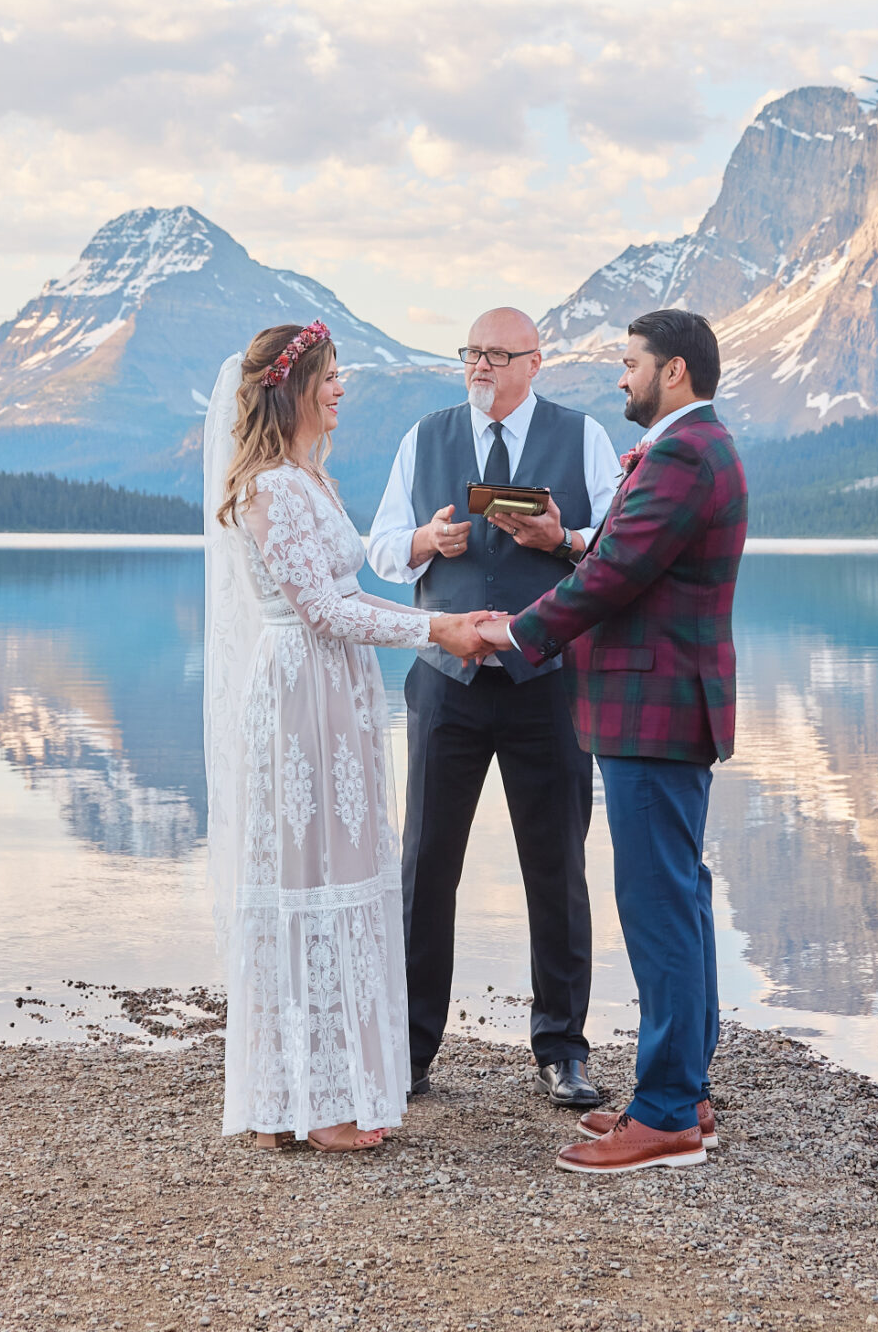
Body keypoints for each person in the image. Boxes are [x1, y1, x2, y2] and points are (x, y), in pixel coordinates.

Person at [202, 317, 490, 1150]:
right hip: (300, 696)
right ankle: (304, 1105)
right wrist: (435, 630)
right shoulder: (269, 488)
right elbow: (321, 610)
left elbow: (348, 593)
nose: (340, 388)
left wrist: (439, 618)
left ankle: (305, 1095)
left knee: (341, 869)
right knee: (304, 878)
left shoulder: (312, 480)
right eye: (328, 376)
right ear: (291, 388)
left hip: (337, 692)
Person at [477, 307, 748, 1176]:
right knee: (681, 897)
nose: (621, 377)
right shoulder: (694, 448)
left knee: (658, 904)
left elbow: (615, 575)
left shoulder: (683, 453)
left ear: (674, 371)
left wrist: (509, 634)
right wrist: (562, 539)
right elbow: (623, 553)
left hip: (652, 709)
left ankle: (666, 1116)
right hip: (666, 708)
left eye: (631, 363)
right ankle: (686, 1094)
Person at [368, 306, 622, 1107]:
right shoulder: (425, 437)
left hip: (549, 682)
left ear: (534, 363)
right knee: (425, 866)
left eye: (496, 355)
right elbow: (378, 548)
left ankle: (563, 1050)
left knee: (558, 866)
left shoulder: (584, 437)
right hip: (446, 681)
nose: (479, 365)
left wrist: (561, 539)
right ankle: (410, 1050)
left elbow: (620, 542)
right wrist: (425, 542)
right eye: (471, 353)